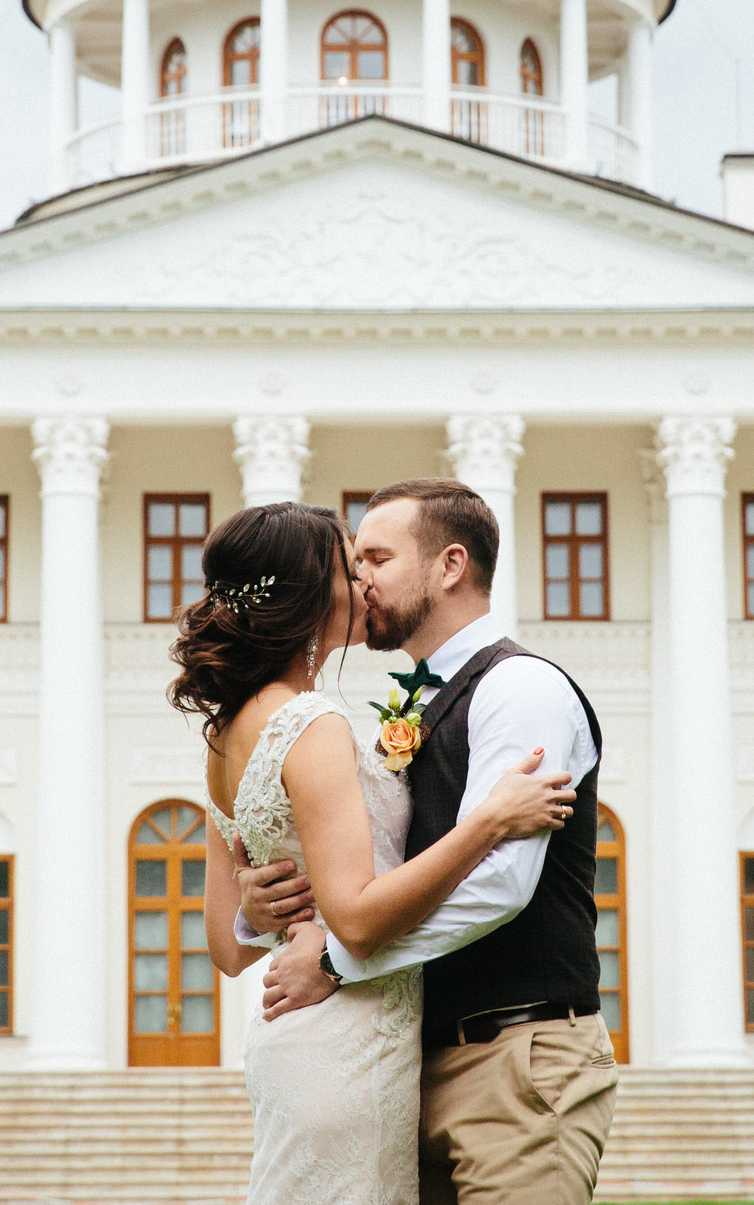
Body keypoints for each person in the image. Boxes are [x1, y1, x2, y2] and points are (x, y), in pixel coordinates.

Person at [171, 500, 576, 1205]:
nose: (363, 581)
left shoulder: (223, 734)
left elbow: (227, 947)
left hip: (291, 1035)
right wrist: (487, 822)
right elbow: (355, 919)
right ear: (310, 593)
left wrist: (260, 914)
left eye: (371, 562)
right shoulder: (313, 722)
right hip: (346, 1035)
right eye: (348, 567)